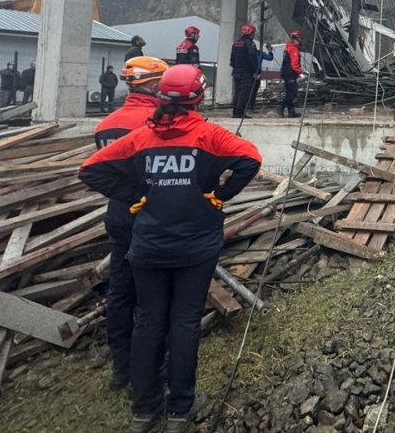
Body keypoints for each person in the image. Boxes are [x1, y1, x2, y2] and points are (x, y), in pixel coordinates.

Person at [78, 65, 262, 433]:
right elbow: (250, 159)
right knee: (184, 322)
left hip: (148, 246)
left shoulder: (141, 138)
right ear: (199, 97)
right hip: (197, 246)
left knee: (148, 322)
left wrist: (135, 195)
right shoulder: (209, 135)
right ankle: (179, 410)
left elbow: (91, 170)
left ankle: (144, 410)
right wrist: (221, 195)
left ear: (161, 95)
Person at [92, 56, 170, 393]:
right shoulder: (158, 121)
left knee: (121, 291)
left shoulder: (105, 126)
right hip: (155, 216)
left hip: (120, 214)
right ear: (153, 84)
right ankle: (153, 367)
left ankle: (121, 367)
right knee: (155, 294)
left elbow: (100, 172)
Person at [229, 24, 259, 118]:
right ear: (251, 33)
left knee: (237, 91)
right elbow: (253, 58)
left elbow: (232, 59)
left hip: (236, 71)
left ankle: (235, 111)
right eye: (253, 33)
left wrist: (235, 67)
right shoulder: (249, 43)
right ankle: (240, 112)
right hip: (246, 72)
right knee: (244, 92)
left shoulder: (236, 43)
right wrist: (256, 71)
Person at [279, 29, 308, 118]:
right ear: (297, 38)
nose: (301, 40)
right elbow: (294, 64)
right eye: (300, 38)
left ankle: (291, 111)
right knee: (292, 93)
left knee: (289, 92)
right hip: (290, 73)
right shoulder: (294, 49)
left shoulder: (288, 48)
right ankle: (281, 107)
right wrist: (300, 73)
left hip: (287, 72)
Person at [248, 41, 274, 112]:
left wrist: (270, 51)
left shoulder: (258, 53)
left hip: (253, 73)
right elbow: (270, 58)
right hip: (253, 73)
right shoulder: (259, 53)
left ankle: (250, 106)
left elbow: (270, 58)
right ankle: (250, 106)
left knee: (252, 90)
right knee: (252, 91)